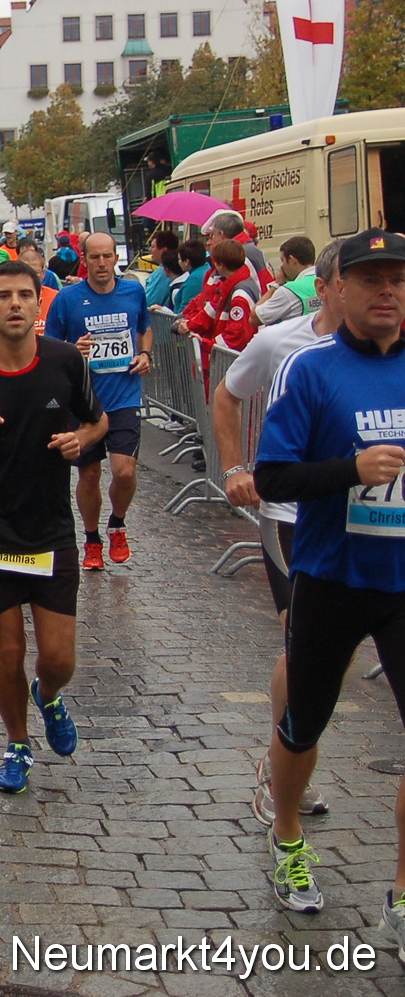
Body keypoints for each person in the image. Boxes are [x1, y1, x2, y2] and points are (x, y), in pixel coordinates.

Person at [252, 228, 405, 928]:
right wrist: (352, 470)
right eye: (372, 278)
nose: (387, 291)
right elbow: (272, 476)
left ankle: (401, 893)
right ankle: (287, 837)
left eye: (398, 279)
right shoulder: (311, 371)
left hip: (402, 583)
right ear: (338, 287)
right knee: (304, 724)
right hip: (332, 577)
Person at [0, 261, 107, 794]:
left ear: (39, 305)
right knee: (7, 650)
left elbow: (97, 420)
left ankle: (48, 694)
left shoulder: (65, 361)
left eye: (24, 296)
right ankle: (17, 744)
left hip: (48, 527)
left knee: (58, 658)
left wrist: (83, 441)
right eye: (3, 295)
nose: (14, 304)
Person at [215, 241, 343, 827]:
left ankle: (290, 759)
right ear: (325, 287)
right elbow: (226, 394)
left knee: (335, 653)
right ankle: (282, 762)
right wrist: (236, 467)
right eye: (362, 280)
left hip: (372, 524)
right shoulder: (280, 342)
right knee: (303, 642)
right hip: (292, 517)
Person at [43, 232, 152, 570]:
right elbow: (51, 345)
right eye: (95, 258)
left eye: (108, 257)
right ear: (84, 259)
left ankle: (117, 523)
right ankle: (92, 539)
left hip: (123, 396)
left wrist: (145, 353)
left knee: (124, 470)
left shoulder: (133, 290)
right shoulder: (68, 298)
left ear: (115, 257)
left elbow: (145, 326)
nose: (102, 264)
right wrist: (73, 351)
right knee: (89, 475)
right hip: (84, 401)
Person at [179, 239, 261, 357]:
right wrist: (190, 324)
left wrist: (207, 344)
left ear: (221, 264)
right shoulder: (232, 284)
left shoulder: (239, 295)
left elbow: (236, 337)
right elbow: (212, 308)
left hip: (232, 361)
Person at [255, 235, 320, 326]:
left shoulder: (289, 291)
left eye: (283, 260)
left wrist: (276, 285)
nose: (281, 266)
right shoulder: (326, 280)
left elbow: (254, 318)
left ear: (292, 260)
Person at [142, 230, 180, 307]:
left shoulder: (162, 273)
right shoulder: (176, 269)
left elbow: (149, 301)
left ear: (164, 250)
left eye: (153, 246)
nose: (150, 250)